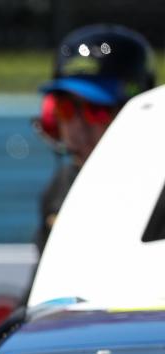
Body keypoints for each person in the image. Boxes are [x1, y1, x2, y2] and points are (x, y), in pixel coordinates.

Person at [34, 24, 156, 252]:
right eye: (65, 108)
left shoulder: (159, 189)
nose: (78, 127)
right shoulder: (60, 187)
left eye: (96, 109)